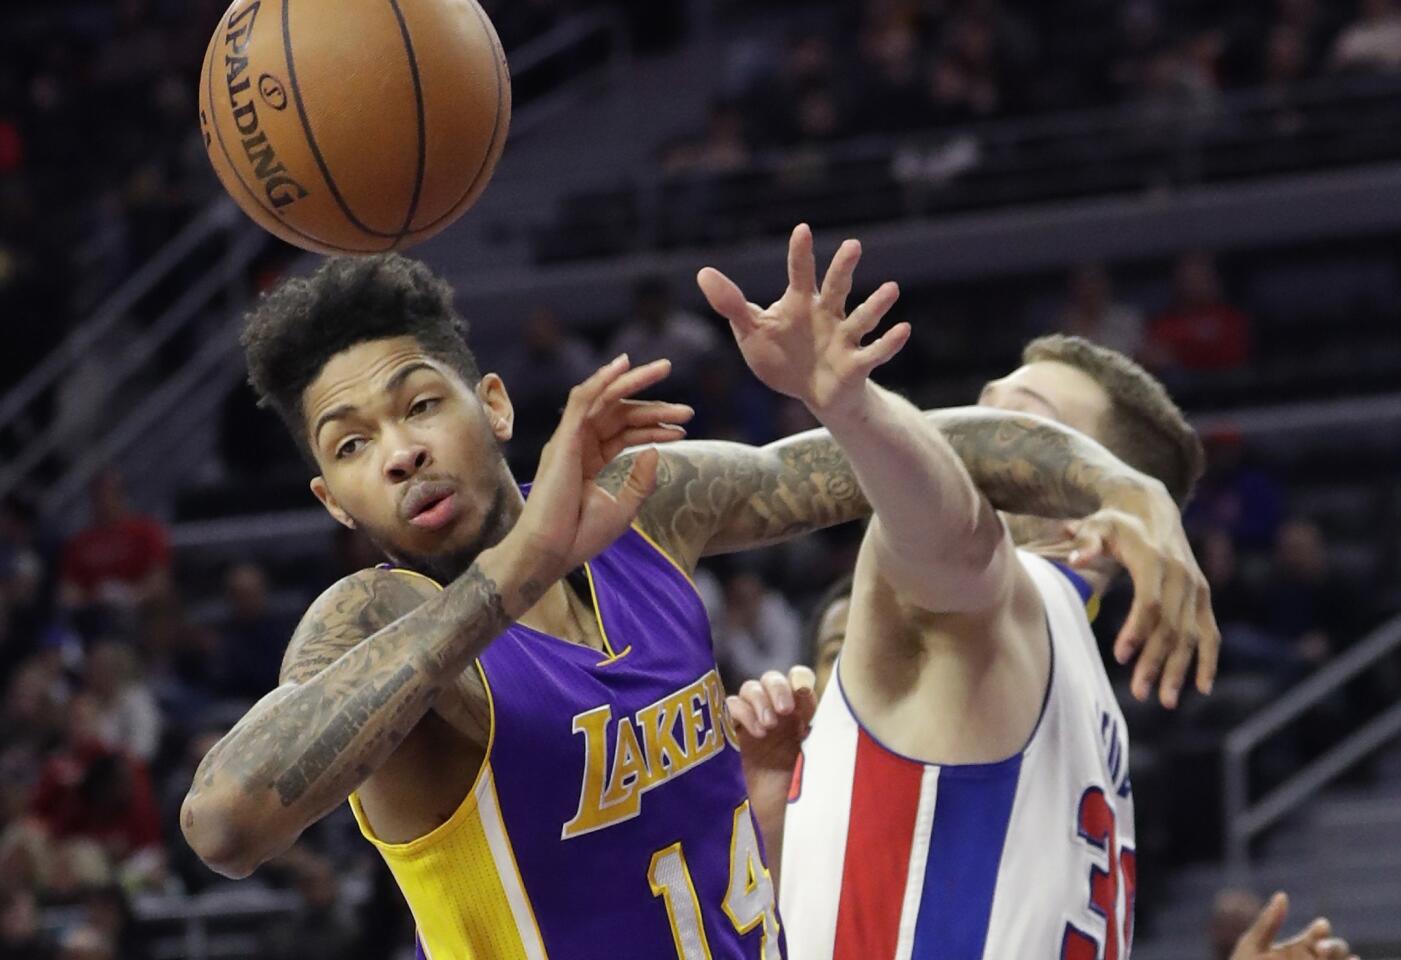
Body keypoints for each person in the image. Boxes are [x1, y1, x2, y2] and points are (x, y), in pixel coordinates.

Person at [181, 249, 1203, 959]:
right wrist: (519, 567)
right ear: (329, 498)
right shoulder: (373, 621)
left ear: (490, 404)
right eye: (349, 446)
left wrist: (1127, 490)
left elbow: (879, 460)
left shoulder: (644, 511)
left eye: (418, 404)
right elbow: (225, 824)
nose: (398, 452)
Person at [696, 228, 1216, 959]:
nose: (975, 435)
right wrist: (779, 824)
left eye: (1022, 421)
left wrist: (849, 404)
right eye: (982, 409)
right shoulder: (1088, 710)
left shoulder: (1008, 595)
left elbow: (958, 530)